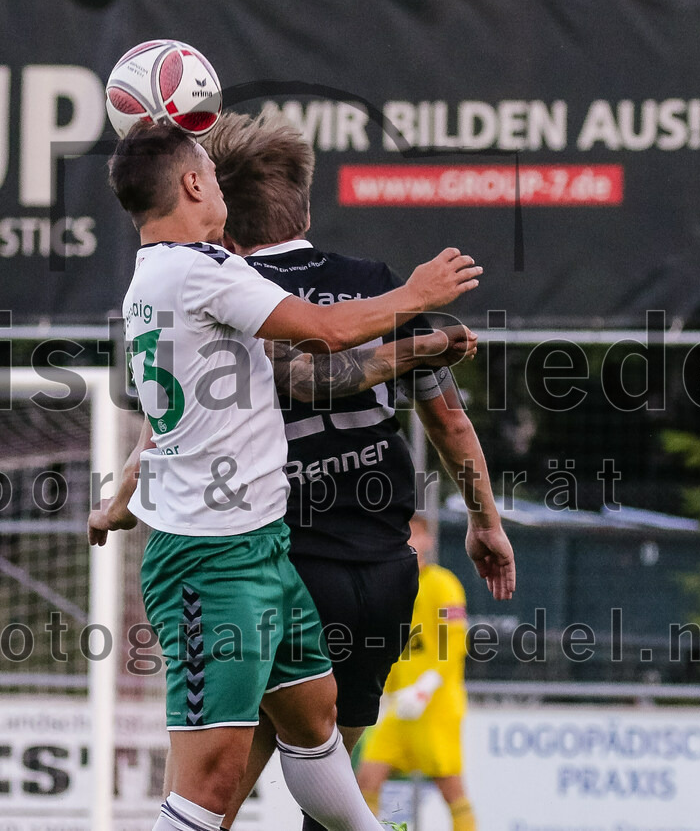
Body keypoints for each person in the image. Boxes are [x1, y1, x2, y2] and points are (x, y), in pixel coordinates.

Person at [88, 120, 483, 831]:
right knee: (211, 789)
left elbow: (205, 401)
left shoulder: (164, 280)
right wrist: (419, 299)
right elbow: (324, 344)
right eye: (204, 170)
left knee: (316, 723)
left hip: (264, 548)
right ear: (191, 185)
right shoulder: (204, 274)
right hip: (213, 560)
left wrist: (118, 496)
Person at [202, 110, 514, 830]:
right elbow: (448, 419)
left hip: (277, 566)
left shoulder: (226, 294)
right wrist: (485, 520)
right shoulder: (374, 285)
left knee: (215, 792)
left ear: (221, 219)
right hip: (379, 571)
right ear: (306, 204)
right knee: (333, 793)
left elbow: (272, 388)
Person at [357, 515, 476, 831]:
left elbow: (455, 641)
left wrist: (427, 686)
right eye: (402, 535)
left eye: (415, 535)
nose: (409, 541)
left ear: (427, 541)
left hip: (436, 705)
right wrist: (384, 695)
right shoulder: (390, 587)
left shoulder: (443, 583)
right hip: (400, 705)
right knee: (366, 779)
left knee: (450, 787)